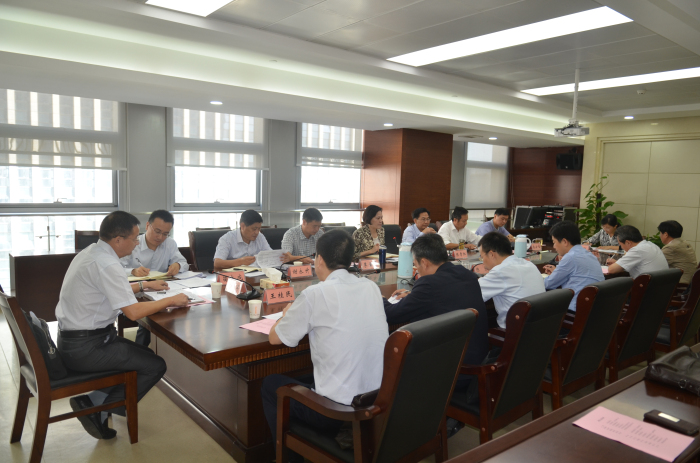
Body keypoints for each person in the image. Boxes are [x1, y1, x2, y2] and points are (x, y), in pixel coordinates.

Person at [56, 211, 189, 440]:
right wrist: (171, 300)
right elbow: (133, 312)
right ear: (118, 240)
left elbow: (109, 289)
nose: (137, 243)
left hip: (78, 340)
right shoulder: (108, 264)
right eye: (135, 238)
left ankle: (94, 401)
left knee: (144, 355)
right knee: (155, 365)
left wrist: (144, 286)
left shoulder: (92, 252)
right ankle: (98, 408)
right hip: (87, 348)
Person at [262, 230, 388, 462]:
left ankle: (287, 458)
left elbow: (275, 338)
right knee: (309, 376)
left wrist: (286, 315)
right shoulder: (370, 287)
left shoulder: (315, 294)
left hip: (337, 412)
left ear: (319, 259)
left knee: (271, 385)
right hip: (375, 401)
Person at [384, 234, 488, 371]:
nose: (416, 269)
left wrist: (379, 297)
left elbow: (392, 314)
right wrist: (413, 295)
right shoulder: (466, 274)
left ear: (424, 262)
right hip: (476, 358)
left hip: (447, 368)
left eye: (415, 264)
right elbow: (445, 295)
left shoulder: (428, 285)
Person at [120, 209, 189, 346]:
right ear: (147, 226)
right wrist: (132, 270)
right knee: (151, 315)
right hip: (136, 293)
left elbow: (183, 262)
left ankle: (168, 348)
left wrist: (177, 265)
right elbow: (116, 268)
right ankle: (141, 350)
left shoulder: (170, 244)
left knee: (180, 309)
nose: (160, 237)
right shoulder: (133, 243)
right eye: (157, 231)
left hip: (161, 290)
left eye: (165, 234)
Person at [478, 232, 545, 328]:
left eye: (482, 257)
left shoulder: (501, 271)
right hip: (539, 328)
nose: (482, 261)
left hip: (515, 332)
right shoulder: (528, 264)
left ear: (492, 254)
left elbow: (472, 292)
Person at [543, 221, 605, 313]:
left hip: (575, 311)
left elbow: (549, 284)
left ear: (564, 242)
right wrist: (557, 272)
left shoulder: (570, 257)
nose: (554, 246)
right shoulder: (589, 255)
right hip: (594, 310)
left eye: (554, 242)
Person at [658, 220, 697, 285]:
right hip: (690, 284)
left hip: (679, 285)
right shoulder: (685, 244)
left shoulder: (671, 248)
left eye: (661, 233)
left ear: (666, 234)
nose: (660, 236)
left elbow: (656, 264)